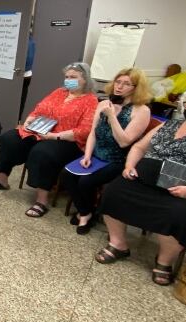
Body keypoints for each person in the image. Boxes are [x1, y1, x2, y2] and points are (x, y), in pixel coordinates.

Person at [95, 85, 186, 285]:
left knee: (179, 214)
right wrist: (129, 166)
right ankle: (118, 244)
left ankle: (164, 261)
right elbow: (139, 146)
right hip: (148, 182)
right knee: (113, 192)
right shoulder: (170, 124)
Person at [0, 62, 97, 218]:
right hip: (41, 132)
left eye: (73, 77)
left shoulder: (90, 100)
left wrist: (54, 136)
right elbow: (39, 109)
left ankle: (41, 201)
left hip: (67, 140)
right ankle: (1, 180)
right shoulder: (59, 92)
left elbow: (84, 131)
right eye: (66, 77)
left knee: (42, 153)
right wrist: (30, 120)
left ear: (85, 79)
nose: (68, 80)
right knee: (9, 139)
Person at [61, 68, 152, 234]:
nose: (119, 87)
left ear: (136, 88)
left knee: (86, 181)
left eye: (126, 84)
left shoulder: (142, 111)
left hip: (118, 159)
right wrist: (87, 155)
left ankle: (86, 214)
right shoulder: (103, 103)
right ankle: (86, 211)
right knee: (67, 174)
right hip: (97, 155)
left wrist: (112, 117)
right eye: (118, 82)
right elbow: (93, 133)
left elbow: (124, 142)